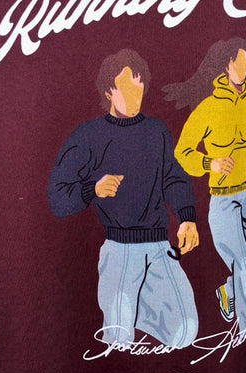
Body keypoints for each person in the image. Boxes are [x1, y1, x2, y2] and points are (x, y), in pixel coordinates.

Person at [48, 49, 199, 348]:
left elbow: (173, 177)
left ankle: (136, 305)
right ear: (109, 90)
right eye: (127, 88)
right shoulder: (90, 135)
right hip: (118, 251)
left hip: (159, 248)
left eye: (139, 87)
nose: (135, 96)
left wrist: (187, 218)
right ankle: (126, 308)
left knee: (184, 333)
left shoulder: (156, 131)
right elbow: (57, 196)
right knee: (118, 339)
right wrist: (93, 189)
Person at [164, 37, 246, 331]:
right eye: (238, 62)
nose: (243, 67)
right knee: (244, 261)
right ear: (226, 66)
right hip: (223, 199)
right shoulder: (208, 108)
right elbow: (182, 152)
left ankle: (230, 289)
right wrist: (209, 163)